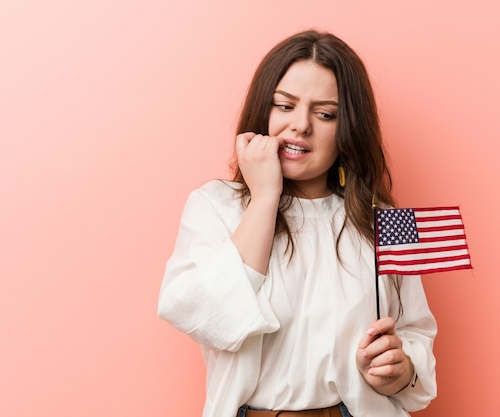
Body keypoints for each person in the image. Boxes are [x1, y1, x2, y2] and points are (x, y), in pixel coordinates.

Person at [158, 30, 437, 417]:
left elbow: (416, 335)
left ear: (348, 129)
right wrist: (265, 197)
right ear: (263, 110)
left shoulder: (385, 218)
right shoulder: (214, 205)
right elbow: (206, 318)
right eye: (284, 106)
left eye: (325, 114)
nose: (301, 125)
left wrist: (403, 371)